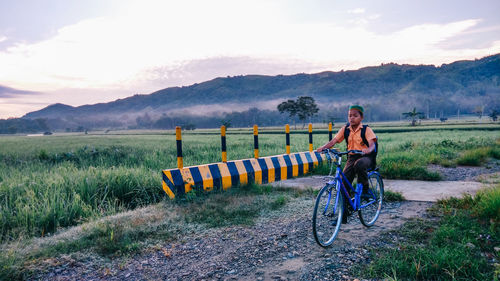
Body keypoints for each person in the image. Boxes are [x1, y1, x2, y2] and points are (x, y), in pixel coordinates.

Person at [316, 105, 377, 223]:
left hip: (366, 157)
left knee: (359, 165)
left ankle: (365, 190)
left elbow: (372, 144)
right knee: (343, 185)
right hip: (351, 157)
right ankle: (342, 216)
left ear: (361, 117)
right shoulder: (345, 129)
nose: (352, 118)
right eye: (350, 115)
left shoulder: (366, 129)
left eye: (355, 116)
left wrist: (368, 150)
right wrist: (324, 148)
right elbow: (334, 141)